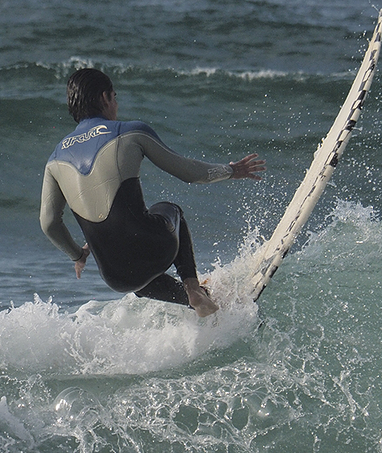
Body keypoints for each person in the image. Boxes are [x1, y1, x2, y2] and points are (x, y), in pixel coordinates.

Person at [40, 68, 265, 317]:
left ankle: (205, 303)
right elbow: (189, 172)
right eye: (115, 97)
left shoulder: (54, 159)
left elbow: (49, 223)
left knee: (140, 285)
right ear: (105, 98)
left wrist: (78, 254)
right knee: (170, 210)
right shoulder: (131, 132)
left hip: (116, 277)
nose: (116, 105)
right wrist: (231, 170)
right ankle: (193, 288)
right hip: (155, 247)